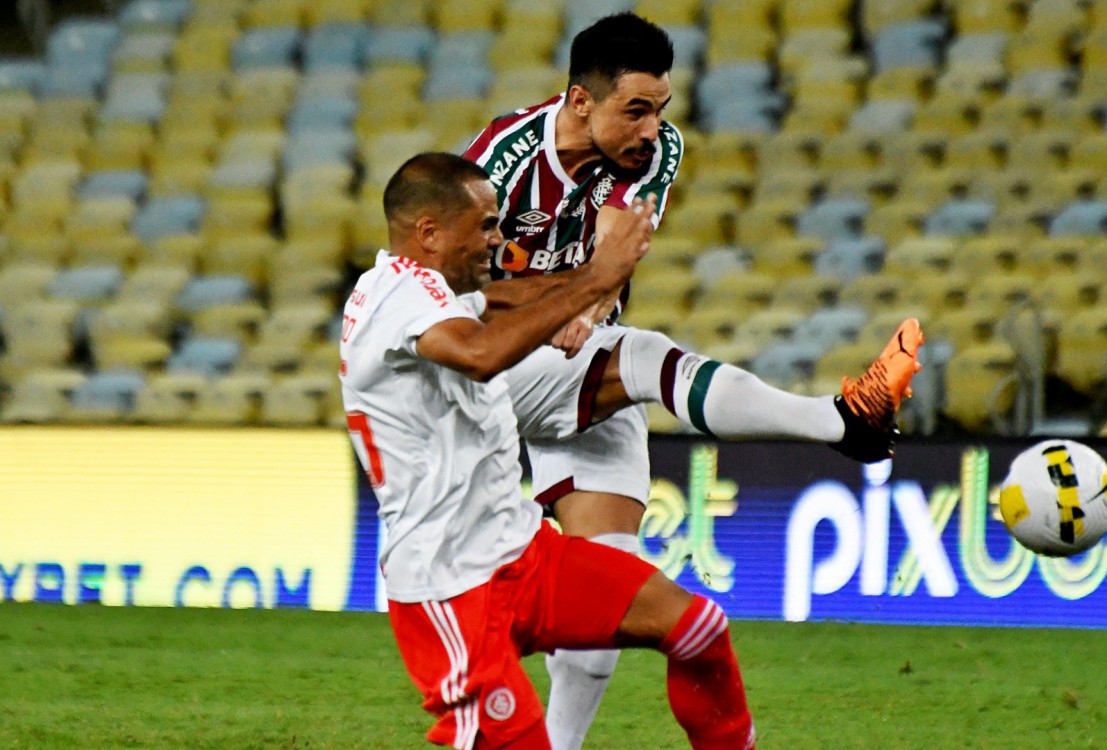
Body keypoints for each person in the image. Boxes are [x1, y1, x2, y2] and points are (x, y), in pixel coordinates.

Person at [464, 13, 925, 749]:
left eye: (661, 109)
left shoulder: (655, 152)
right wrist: (560, 302)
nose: (653, 128)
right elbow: (448, 295)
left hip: (578, 357)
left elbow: (616, 257)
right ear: (580, 101)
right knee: (645, 358)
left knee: (607, 585)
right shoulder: (500, 159)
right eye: (635, 109)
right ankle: (841, 421)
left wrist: (589, 301)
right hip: (488, 375)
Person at [339, 152, 757, 750]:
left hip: (523, 553)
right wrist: (592, 279)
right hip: (450, 584)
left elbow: (505, 300)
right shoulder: (398, 298)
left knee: (695, 628)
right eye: (484, 225)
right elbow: (481, 354)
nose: (498, 238)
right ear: (428, 232)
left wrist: (600, 276)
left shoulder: (427, 287)